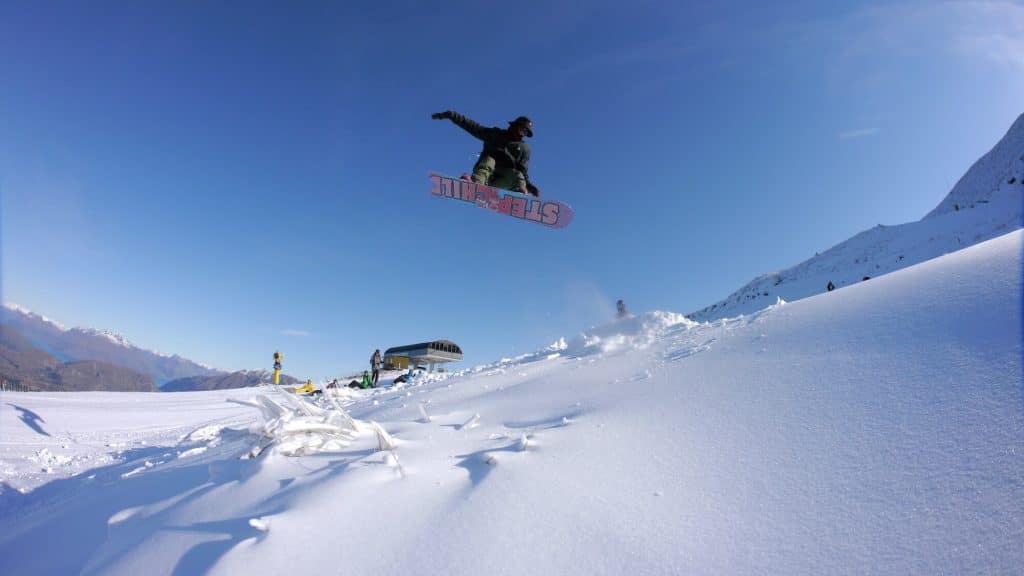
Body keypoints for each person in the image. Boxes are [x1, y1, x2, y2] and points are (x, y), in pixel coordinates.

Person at [431, 110, 541, 196]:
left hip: (503, 180)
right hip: (484, 176)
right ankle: (475, 186)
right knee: (489, 160)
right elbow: (472, 126)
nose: (523, 134)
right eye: (522, 130)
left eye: (526, 133)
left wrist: (529, 186)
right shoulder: (494, 134)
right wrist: (452, 115)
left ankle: (519, 194)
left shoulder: (524, 148)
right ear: (514, 126)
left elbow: (523, 170)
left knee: (518, 175)